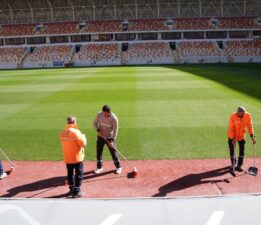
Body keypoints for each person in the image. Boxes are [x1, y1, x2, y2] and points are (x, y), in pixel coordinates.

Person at [60, 116, 87, 197]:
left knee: (70, 173)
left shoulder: (63, 132)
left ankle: (71, 189)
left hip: (68, 157)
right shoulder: (76, 132)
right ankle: (77, 191)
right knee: (79, 173)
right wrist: (84, 137)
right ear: (74, 122)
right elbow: (83, 144)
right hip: (76, 157)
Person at [93, 105, 122, 174]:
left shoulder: (114, 118)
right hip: (101, 136)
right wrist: (98, 129)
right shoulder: (99, 114)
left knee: (113, 153)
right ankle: (100, 167)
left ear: (109, 112)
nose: (104, 114)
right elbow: (94, 123)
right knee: (99, 152)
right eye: (103, 112)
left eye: (105, 113)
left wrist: (112, 140)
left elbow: (115, 130)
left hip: (110, 137)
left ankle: (119, 167)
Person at [227, 106, 256, 172]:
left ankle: (239, 165)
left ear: (244, 113)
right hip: (232, 135)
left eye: (241, 113)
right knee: (232, 149)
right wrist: (233, 139)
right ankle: (233, 163)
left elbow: (250, 126)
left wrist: (252, 137)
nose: (239, 114)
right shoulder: (233, 116)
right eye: (238, 113)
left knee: (242, 150)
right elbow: (231, 128)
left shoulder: (248, 116)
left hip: (241, 135)